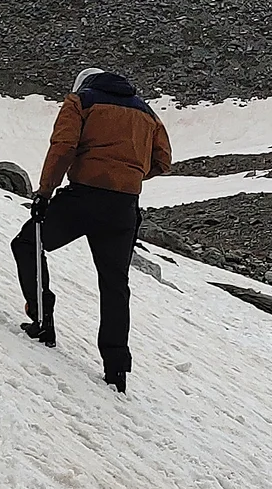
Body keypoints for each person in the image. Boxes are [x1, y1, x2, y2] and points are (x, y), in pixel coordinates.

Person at [11, 67, 172, 393]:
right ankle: (116, 369)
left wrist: (45, 192)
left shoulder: (81, 102)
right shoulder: (147, 112)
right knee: (115, 285)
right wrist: (129, 175)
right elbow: (163, 160)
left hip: (83, 198)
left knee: (27, 244)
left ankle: (42, 321)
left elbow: (63, 146)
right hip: (124, 207)